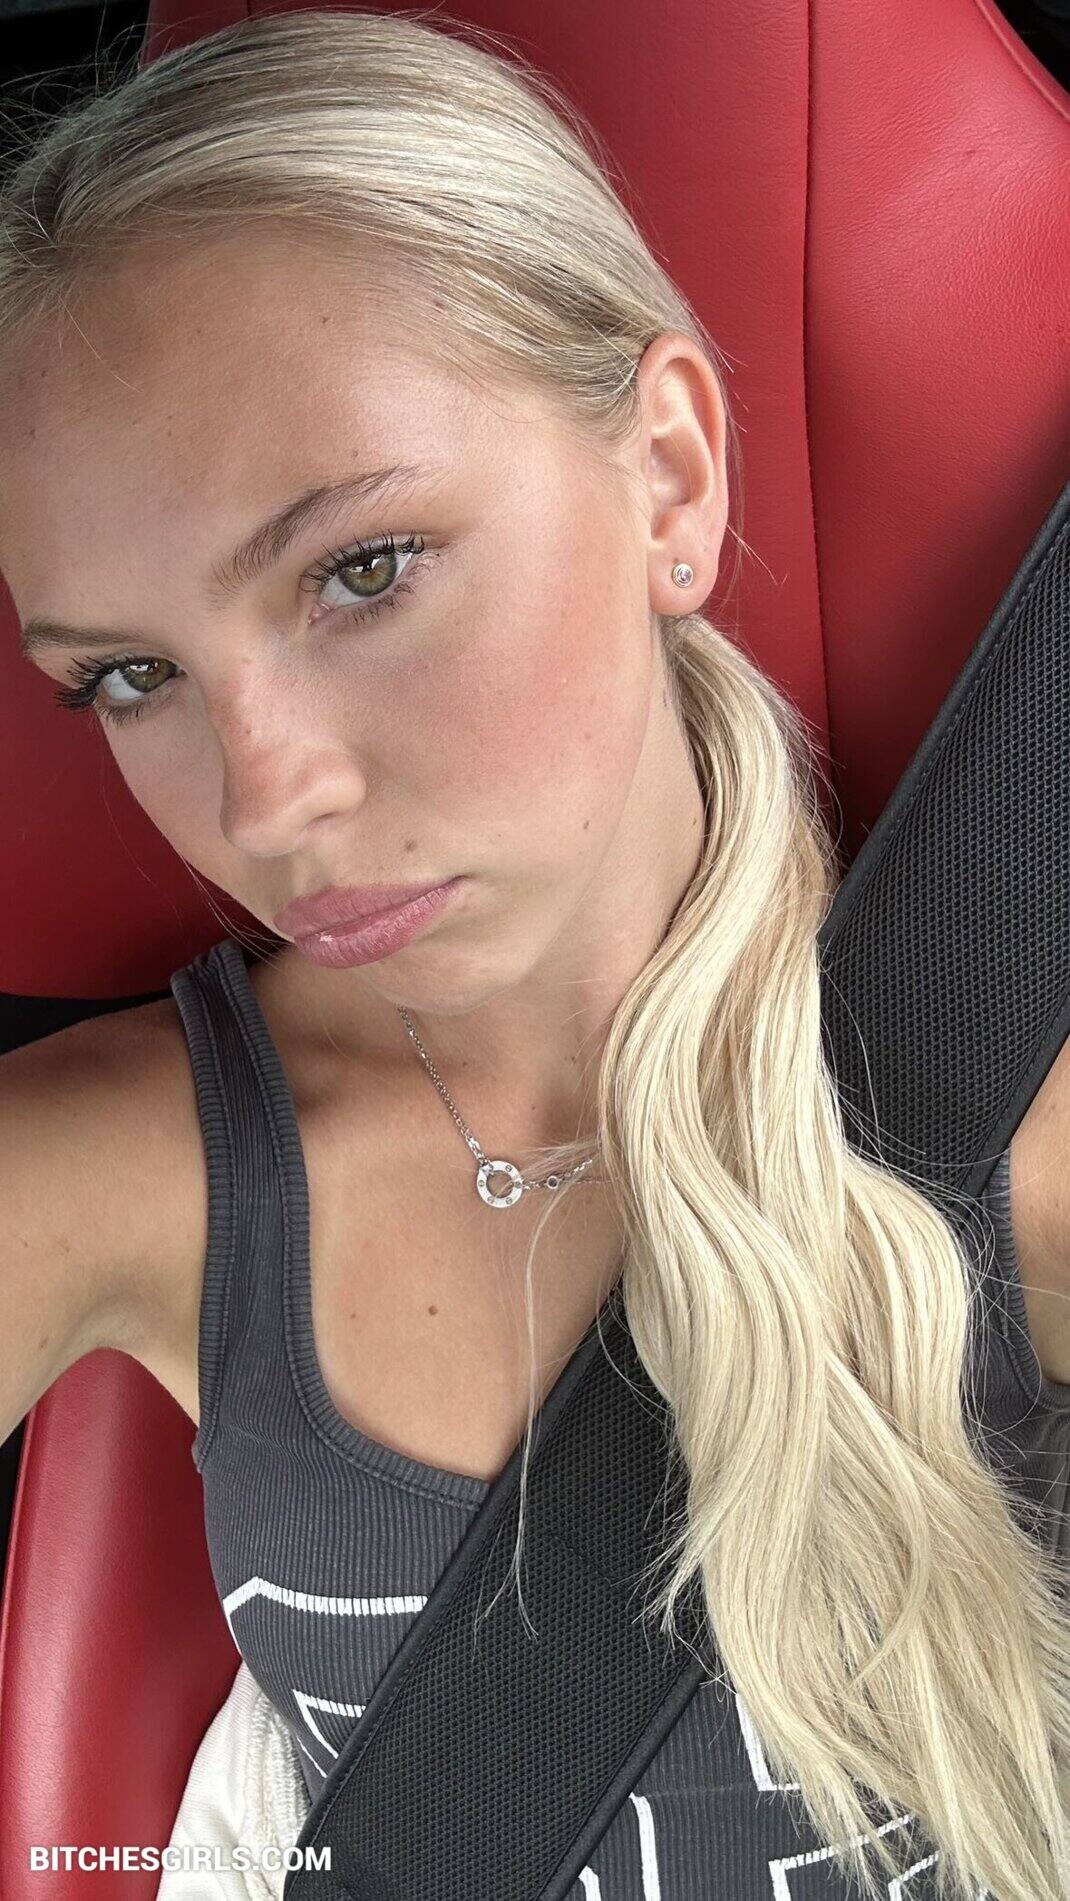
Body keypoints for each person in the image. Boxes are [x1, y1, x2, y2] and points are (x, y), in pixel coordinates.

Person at [0, 10, 1067, 1899]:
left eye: (363, 569)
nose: (266, 802)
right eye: (132, 676)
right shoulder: (119, 1165)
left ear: (668, 476)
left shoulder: (1028, 1118)